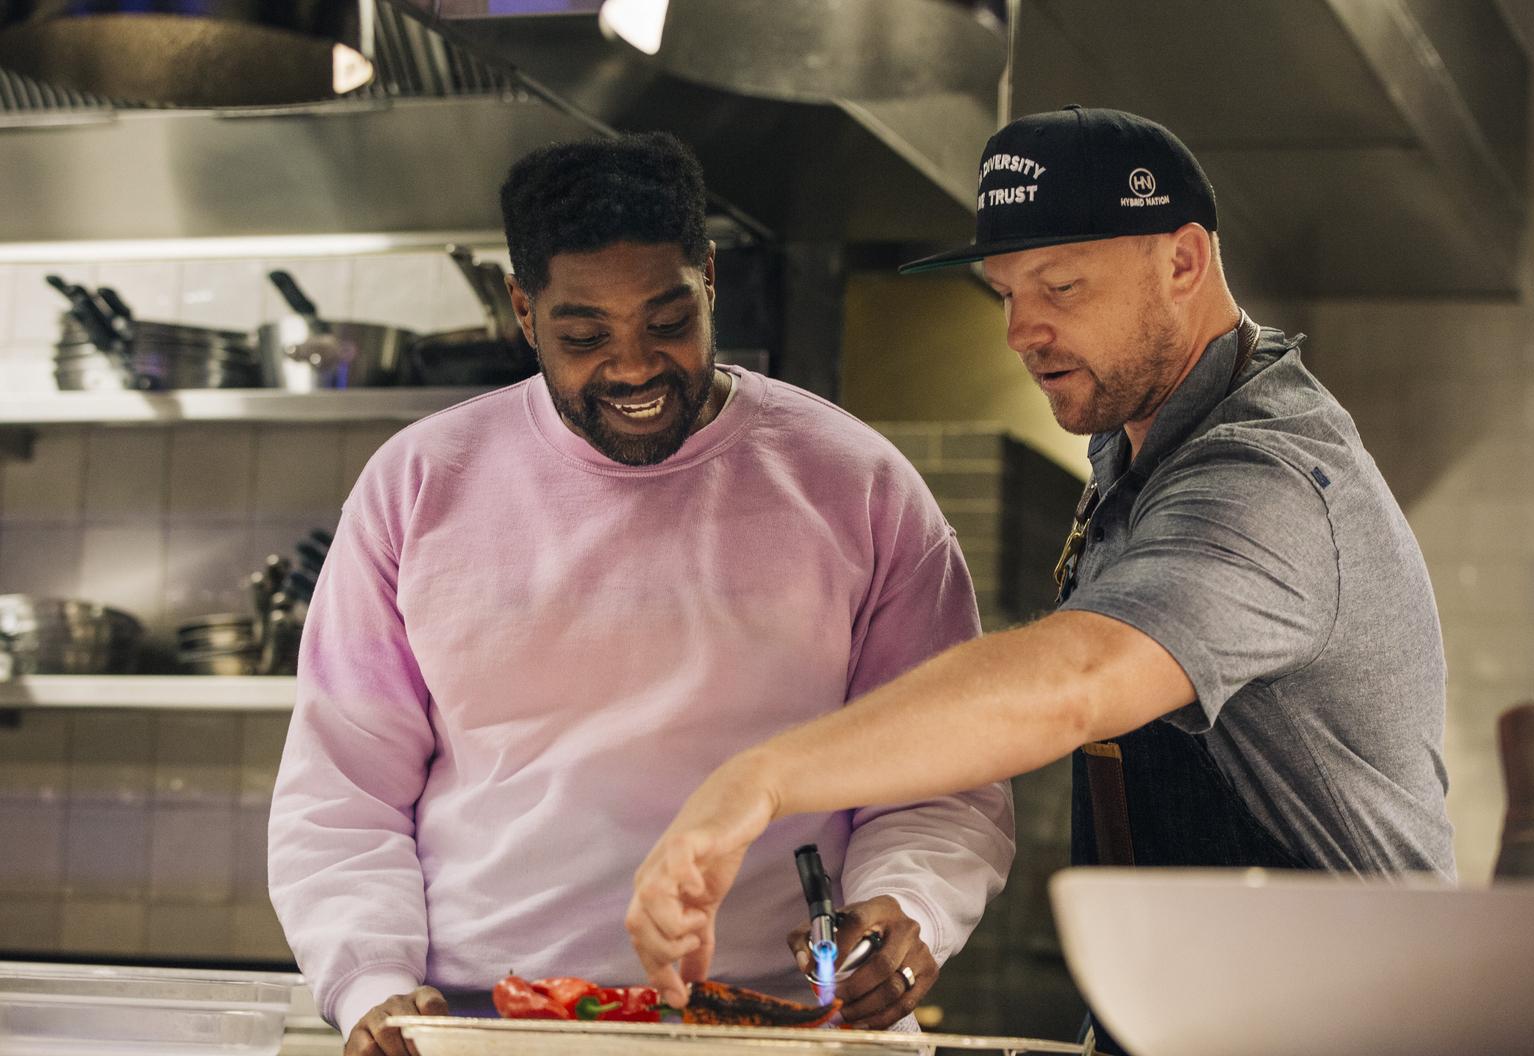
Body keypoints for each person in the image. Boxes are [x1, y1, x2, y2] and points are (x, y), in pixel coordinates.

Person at [625, 107, 1456, 1054]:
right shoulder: (1135, 452)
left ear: (1183, 261)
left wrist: (761, 779)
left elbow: (1075, 683)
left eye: (1060, 285)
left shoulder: (1264, 481)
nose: (1022, 331)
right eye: (1004, 290)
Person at [268, 132, 1014, 1056]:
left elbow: (941, 769)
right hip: (488, 1028)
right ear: (525, 312)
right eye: (586, 336)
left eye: (669, 322)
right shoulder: (418, 485)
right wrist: (370, 982)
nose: (632, 368)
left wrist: (908, 906)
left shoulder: (857, 482)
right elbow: (342, 788)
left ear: (708, 278)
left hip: (785, 1028)